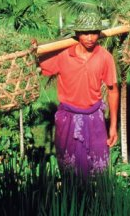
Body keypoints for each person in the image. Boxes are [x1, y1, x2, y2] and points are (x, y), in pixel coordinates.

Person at [40, 13, 119, 176]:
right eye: (85, 33)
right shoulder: (63, 55)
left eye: (94, 32)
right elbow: (36, 63)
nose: (90, 38)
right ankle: (73, 200)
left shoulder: (105, 57)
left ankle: (96, 201)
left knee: (98, 169)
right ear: (76, 34)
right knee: (69, 170)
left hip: (94, 118)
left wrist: (113, 127)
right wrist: (34, 49)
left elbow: (113, 91)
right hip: (68, 119)